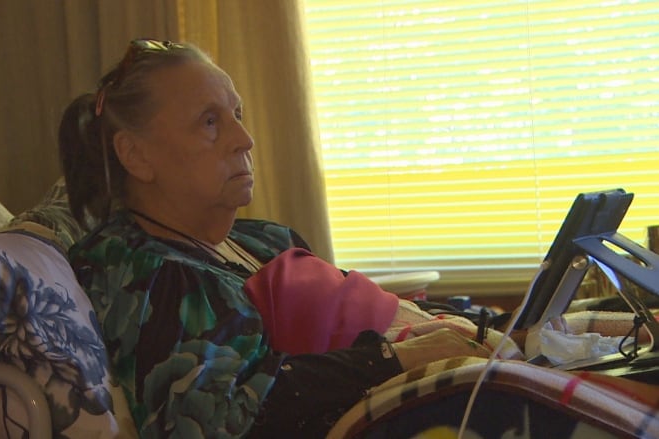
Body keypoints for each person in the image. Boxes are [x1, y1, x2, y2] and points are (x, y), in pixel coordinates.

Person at [60, 38, 519, 438]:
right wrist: (394, 359)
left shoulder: (261, 239)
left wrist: (495, 329)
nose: (244, 139)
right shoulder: (148, 277)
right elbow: (210, 421)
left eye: (237, 114)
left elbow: (370, 314)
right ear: (135, 155)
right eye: (209, 122)